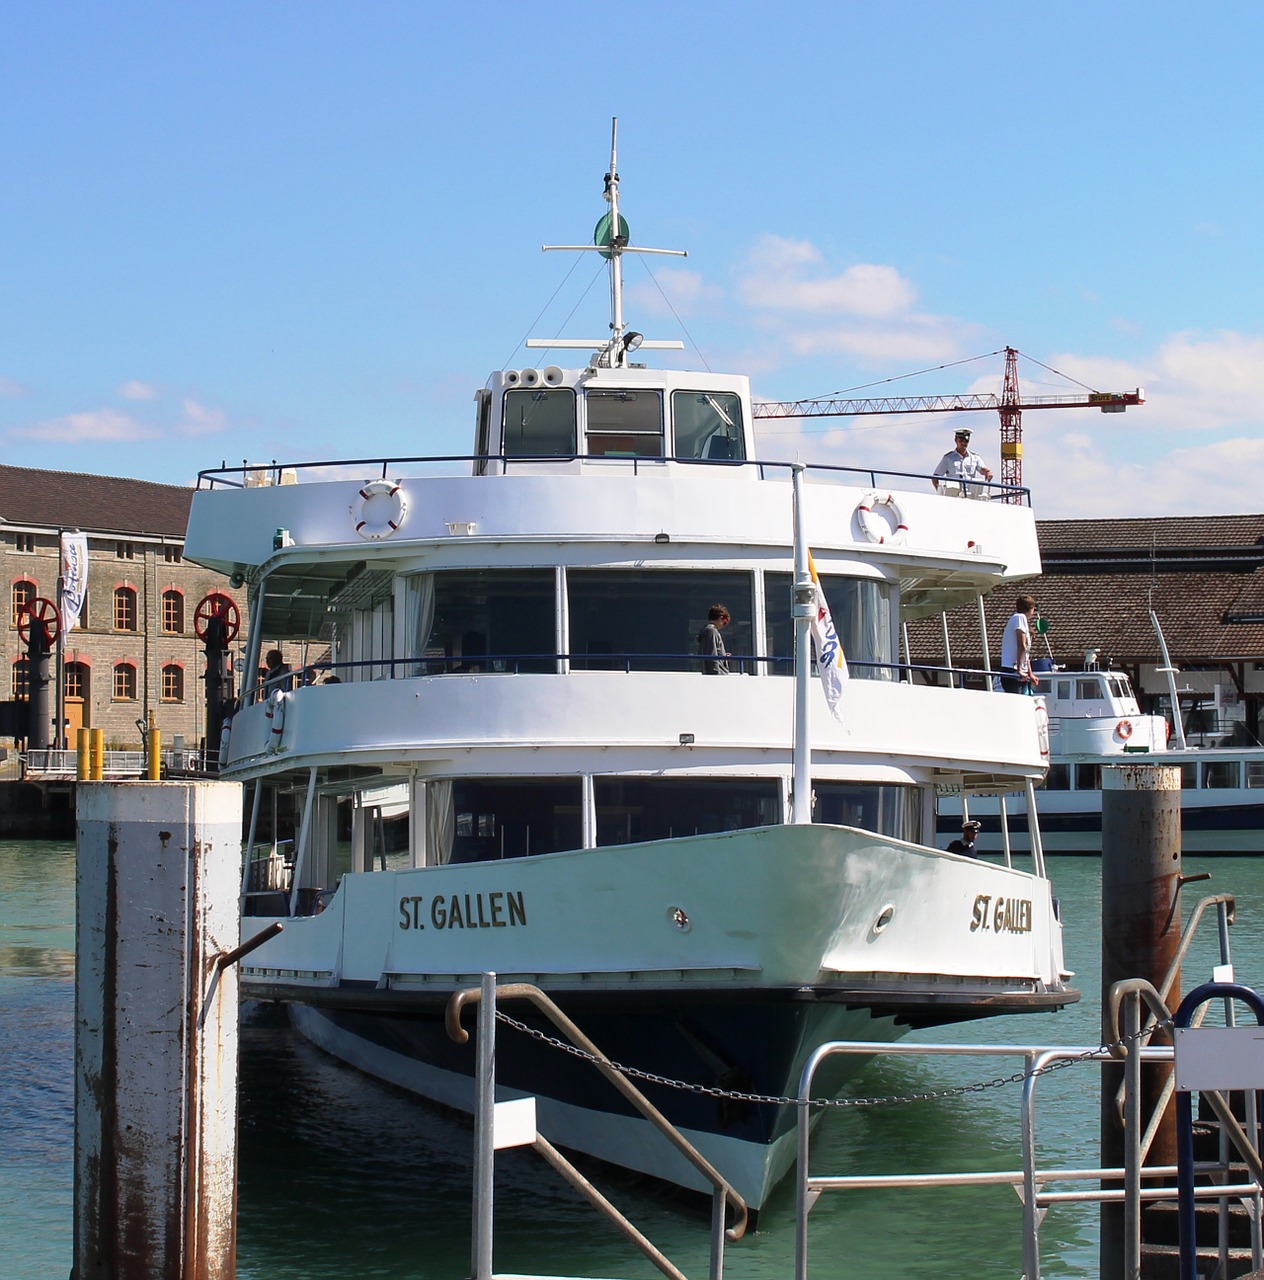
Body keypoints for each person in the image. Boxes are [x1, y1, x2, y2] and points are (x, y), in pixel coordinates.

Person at [932, 428, 993, 497]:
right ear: (955, 440)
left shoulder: (975, 458)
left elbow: (982, 469)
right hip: (953, 497)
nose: (964, 443)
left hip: (970, 496)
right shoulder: (948, 458)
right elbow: (935, 477)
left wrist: (988, 472)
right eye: (961, 440)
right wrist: (940, 492)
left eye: (966, 441)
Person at [998, 595, 1038, 693]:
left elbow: (1026, 653)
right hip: (1012, 670)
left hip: (1020, 671)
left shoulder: (1021, 620)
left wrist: (1030, 673)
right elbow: (1021, 645)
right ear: (1031, 608)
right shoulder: (1019, 618)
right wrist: (1020, 669)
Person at [697, 604, 731, 675]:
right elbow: (712, 655)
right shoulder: (712, 631)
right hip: (717, 675)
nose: (724, 626)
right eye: (725, 622)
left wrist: (723, 655)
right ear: (721, 618)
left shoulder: (705, 631)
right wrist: (716, 675)